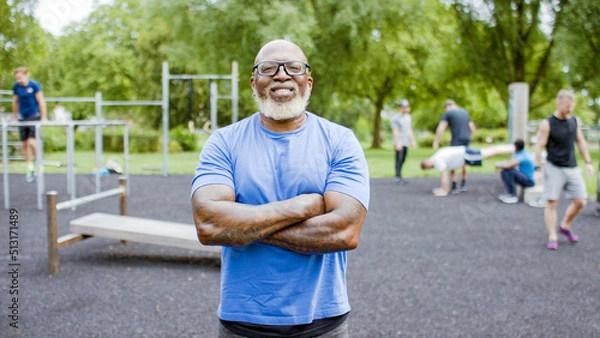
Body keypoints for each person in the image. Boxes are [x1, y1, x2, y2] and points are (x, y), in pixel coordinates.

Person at [191, 39, 370, 338]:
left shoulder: (340, 141)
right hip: (243, 323)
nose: (282, 75)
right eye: (268, 68)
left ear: (308, 82)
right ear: (254, 82)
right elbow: (209, 224)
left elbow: (344, 231)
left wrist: (243, 227)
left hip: (323, 321)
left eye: (293, 67)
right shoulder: (224, 142)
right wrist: (301, 208)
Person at [534, 89, 594, 250]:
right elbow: (539, 146)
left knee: (581, 201)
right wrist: (537, 168)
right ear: (558, 104)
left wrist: (588, 162)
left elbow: (580, 141)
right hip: (554, 167)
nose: (569, 109)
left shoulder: (575, 121)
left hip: (572, 167)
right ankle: (552, 236)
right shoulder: (547, 124)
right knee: (552, 202)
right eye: (566, 106)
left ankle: (565, 226)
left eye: (571, 107)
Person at [421, 144, 515, 197]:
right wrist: (444, 188)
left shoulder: (437, 160)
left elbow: (444, 175)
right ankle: (512, 148)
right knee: (488, 152)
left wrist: (444, 190)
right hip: (463, 152)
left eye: (428, 168)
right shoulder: (436, 156)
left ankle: (512, 148)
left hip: (465, 155)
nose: (430, 169)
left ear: (427, 165)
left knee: (488, 153)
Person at [12, 66, 47, 182]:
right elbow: (15, 102)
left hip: (34, 116)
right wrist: (15, 116)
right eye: (17, 78)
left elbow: (41, 101)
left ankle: (39, 164)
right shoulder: (16, 87)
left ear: (26, 75)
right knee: (24, 144)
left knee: (32, 142)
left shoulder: (34, 85)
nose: (19, 80)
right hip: (23, 117)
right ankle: (29, 167)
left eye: (20, 78)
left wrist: (44, 117)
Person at [433, 99, 476, 194]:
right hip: (466, 139)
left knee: (452, 160)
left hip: (456, 139)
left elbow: (442, 127)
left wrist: (436, 141)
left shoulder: (448, 113)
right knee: (465, 160)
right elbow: (472, 128)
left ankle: (455, 186)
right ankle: (463, 184)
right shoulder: (465, 112)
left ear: (447, 107)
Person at [494, 138, 535, 204]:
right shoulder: (519, 152)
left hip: (528, 181)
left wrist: (498, 165)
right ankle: (510, 193)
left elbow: (509, 165)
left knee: (507, 171)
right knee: (506, 171)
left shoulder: (523, 155)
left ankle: (512, 194)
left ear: (516, 146)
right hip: (524, 176)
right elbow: (509, 161)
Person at [391, 98, 416, 185]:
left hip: (406, 142)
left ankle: (400, 174)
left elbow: (409, 130)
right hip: (399, 142)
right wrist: (398, 143)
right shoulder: (396, 118)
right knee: (399, 159)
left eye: (407, 107)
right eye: (404, 107)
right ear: (400, 108)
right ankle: (398, 177)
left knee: (404, 158)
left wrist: (412, 141)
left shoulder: (408, 117)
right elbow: (395, 131)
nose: (406, 109)